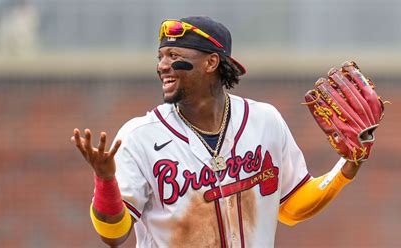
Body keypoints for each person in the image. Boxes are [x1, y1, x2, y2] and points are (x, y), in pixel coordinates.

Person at [71, 16, 362, 247]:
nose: (162, 66)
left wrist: (347, 167)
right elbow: (113, 235)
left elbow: (292, 206)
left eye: (174, 55)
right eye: (160, 56)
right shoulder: (139, 137)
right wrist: (105, 180)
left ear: (211, 62)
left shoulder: (264, 121)